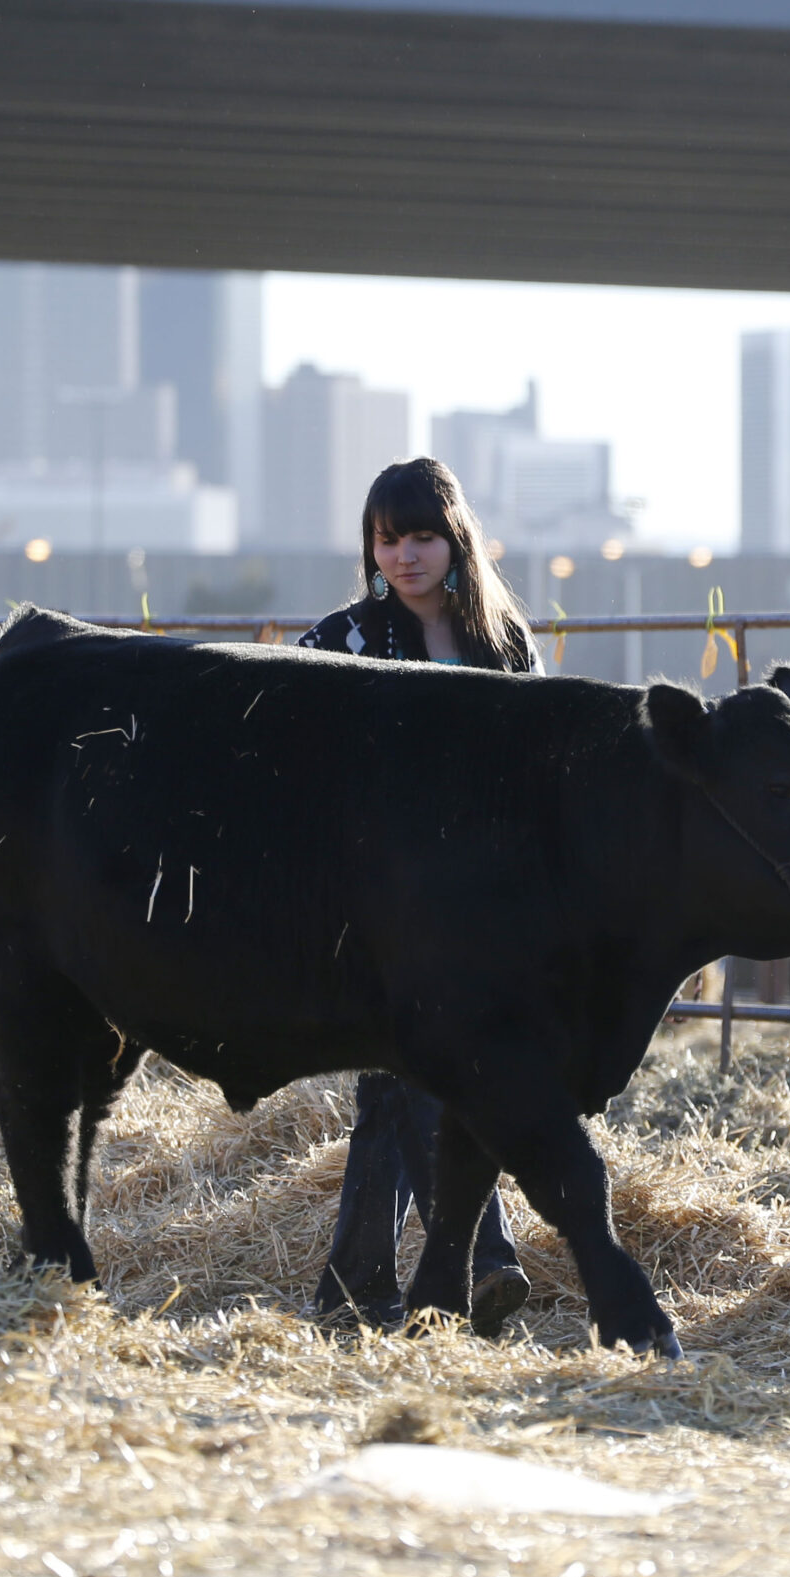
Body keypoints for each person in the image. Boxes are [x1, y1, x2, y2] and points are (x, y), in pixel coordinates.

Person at [299, 457, 542, 1335]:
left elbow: (536, 770)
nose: (403, 555)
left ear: (455, 540)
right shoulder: (341, 642)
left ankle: (354, 1290)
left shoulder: (506, 645)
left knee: (396, 1086)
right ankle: (483, 1257)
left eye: (421, 536)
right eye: (386, 538)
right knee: (420, 1066)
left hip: (477, 901)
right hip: (371, 900)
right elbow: (290, 761)